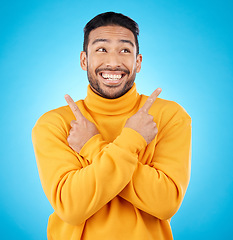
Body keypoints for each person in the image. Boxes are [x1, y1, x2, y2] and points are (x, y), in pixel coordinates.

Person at [32, 12, 191, 240]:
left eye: (125, 50)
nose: (114, 62)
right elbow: (71, 207)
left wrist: (92, 146)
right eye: (101, 49)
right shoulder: (54, 123)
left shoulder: (169, 116)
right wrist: (132, 141)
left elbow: (166, 203)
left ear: (138, 61)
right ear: (84, 60)